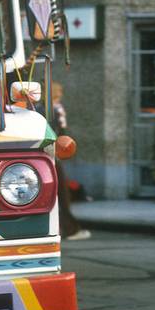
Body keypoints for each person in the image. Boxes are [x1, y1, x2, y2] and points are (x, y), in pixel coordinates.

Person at [51, 83, 91, 241]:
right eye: (60, 91)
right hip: (54, 153)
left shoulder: (37, 108)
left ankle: (63, 227)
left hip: (43, 154)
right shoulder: (57, 109)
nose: (62, 93)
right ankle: (70, 228)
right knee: (62, 193)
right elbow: (62, 132)